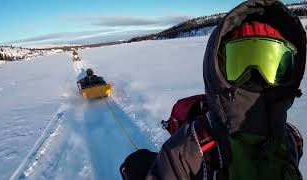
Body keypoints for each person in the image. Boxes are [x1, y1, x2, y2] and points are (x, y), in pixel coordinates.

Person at [120, 0, 305, 180]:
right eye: (241, 62)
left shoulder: (290, 139)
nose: (255, 75)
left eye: (271, 65)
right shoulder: (188, 150)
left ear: (291, 69)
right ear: (218, 66)